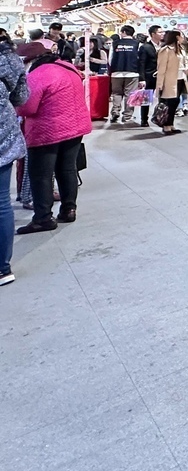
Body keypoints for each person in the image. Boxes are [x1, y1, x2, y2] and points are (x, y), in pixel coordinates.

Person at [15, 50, 92, 232]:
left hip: (47, 131)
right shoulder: (70, 69)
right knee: (67, 169)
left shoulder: (38, 74)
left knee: (41, 174)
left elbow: (27, 107)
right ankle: (69, 210)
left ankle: (43, 218)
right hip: (75, 126)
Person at [1, 34, 29, 284]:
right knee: (2, 204)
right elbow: (21, 98)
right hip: (4, 135)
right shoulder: (11, 59)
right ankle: (3, 268)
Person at [108, 26, 140, 124]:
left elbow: (110, 59)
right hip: (132, 72)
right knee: (130, 95)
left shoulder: (115, 43)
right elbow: (140, 58)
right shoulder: (138, 44)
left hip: (116, 72)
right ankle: (127, 116)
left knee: (117, 93)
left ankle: (115, 112)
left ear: (124, 32)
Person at [155, 29, 184, 136]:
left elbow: (183, 63)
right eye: (181, 36)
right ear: (176, 37)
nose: (182, 38)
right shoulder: (166, 50)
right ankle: (166, 125)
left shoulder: (180, 49)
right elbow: (161, 69)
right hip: (169, 81)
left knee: (175, 102)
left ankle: (171, 124)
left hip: (180, 78)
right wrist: (160, 84)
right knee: (169, 103)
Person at [137, 25, 162, 128]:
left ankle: (161, 117)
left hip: (161, 76)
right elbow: (141, 63)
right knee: (146, 98)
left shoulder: (164, 46)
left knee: (163, 98)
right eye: (160, 32)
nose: (162, 34)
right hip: (149, 76)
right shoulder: (145, 47)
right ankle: (144, 119)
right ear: (153, 34)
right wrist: (142, 78)